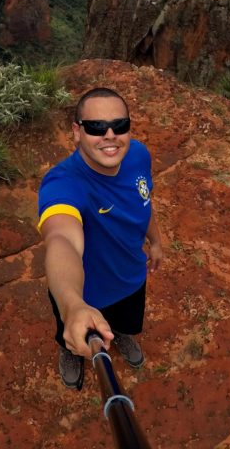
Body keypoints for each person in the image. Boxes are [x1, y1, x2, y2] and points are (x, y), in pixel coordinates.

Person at [37, 86, 164, 388]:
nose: (109, 135)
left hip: (132, 276)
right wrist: (72, 304)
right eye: (96, 127)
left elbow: (143, 201)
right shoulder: (63, 183)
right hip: (84, 291)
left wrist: (156, 241)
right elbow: (62, 239)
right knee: (73, 326)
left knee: (126, 319)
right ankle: (70, 351)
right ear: (77, 131)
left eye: (119, 125)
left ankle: (119, 333)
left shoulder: (138, 155)